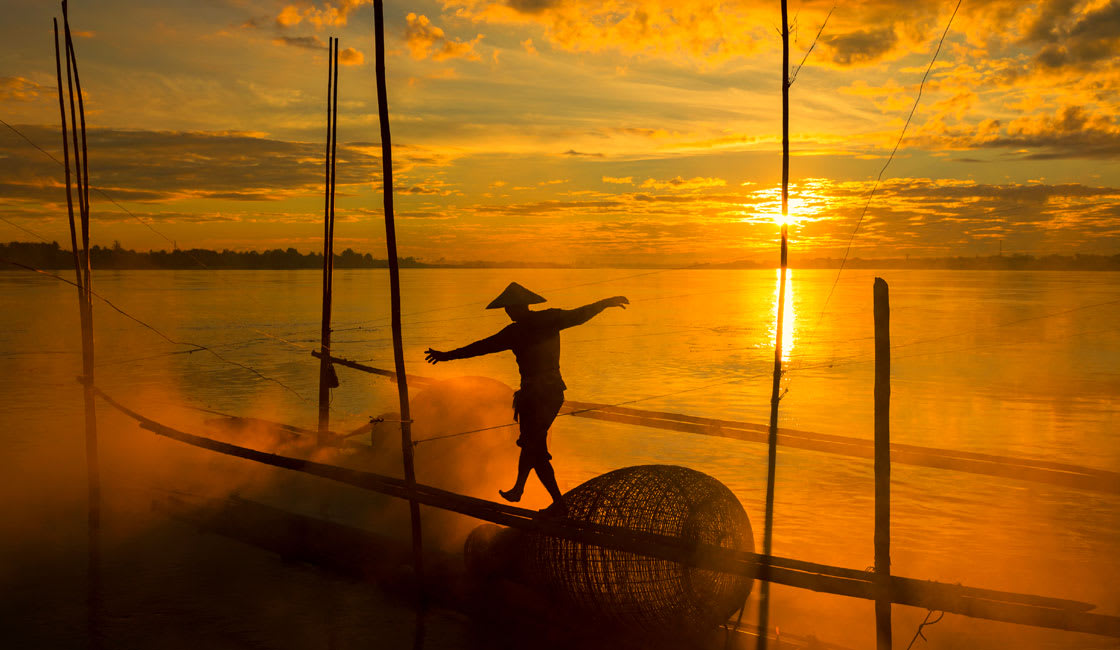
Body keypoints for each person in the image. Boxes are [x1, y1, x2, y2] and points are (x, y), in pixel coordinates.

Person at [424, 282, 629, 515]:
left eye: (509, 308)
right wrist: (605, 303)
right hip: (548, 394)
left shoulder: (519, 330)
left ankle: (528, 492)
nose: (508, 312)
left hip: (537, 396)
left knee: (533, 446)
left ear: (519, 307)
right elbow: (580, 315)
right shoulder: (546, 320)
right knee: (535, 447)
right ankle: (533, 495)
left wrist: (446, 357)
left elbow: (481, 347)